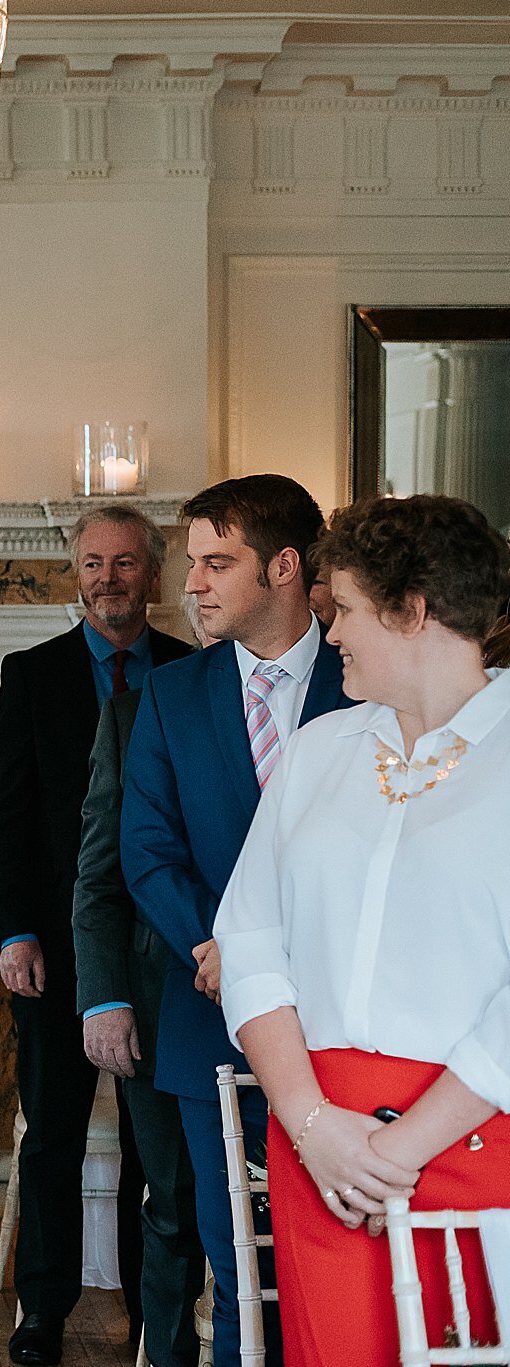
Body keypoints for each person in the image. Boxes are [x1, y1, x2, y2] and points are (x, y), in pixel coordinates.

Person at [217, 494, 510, 1364]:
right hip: (324, 1157)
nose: (328, 630)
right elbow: (249, 941)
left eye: (342, 607)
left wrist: (399, 1150)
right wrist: (314, 1125)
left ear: (412, 609)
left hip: (473, 1146)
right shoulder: (318, 752)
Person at [123, 473, 352, 1361]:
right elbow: (145, 847)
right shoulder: (172, 693)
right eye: (194, 564)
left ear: (285, 566)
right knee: (236, 1272)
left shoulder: (362, 675)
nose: (194, 585)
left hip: (340, 1022)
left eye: (219, 562)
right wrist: (218, 946)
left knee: (331, 1265)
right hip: (210, 1014)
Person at [0, 504, 194, 1365]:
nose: (108, 578)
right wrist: (16, 932)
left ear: (152, 572)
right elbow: (10, 814)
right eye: (92, 563)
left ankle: (156, 1316)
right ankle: (44, 1309)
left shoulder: (193, 673)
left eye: (124, 563)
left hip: (161, 955)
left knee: (159, 1146)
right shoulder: (30, 673)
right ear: (75, 572)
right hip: (56, 953)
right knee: (53, 1135)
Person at [71, 599, 216, 1367]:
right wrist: (106, 994)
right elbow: (98, 872)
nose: (200, 592)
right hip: (160, 998)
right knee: (173, 1208)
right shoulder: (135, 713)